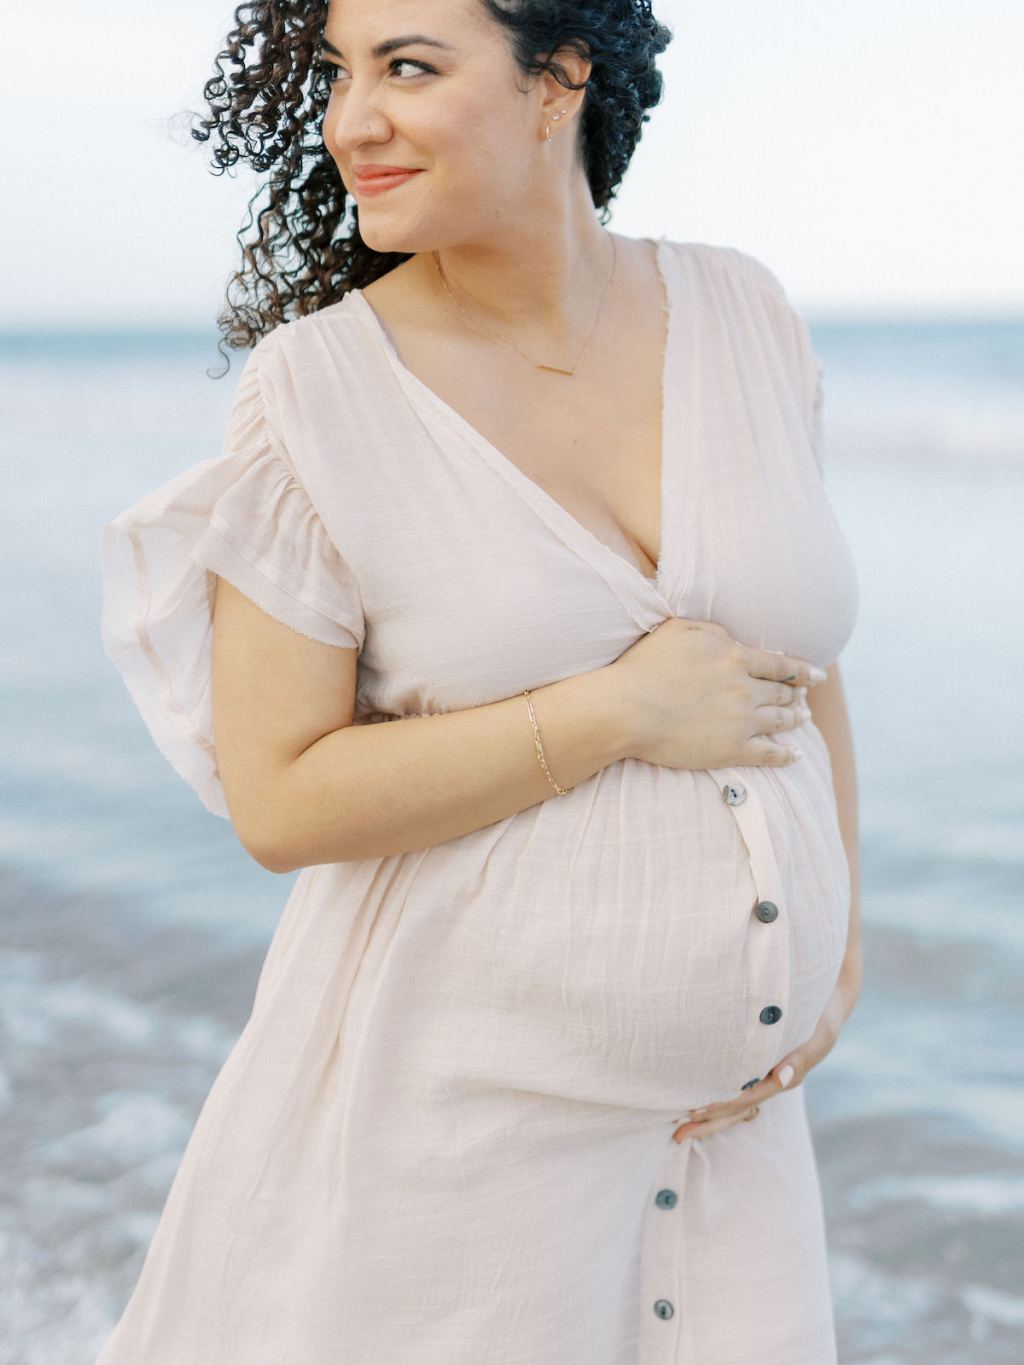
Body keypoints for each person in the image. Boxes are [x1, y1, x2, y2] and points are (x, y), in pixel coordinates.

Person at [95, 0, 862, 1361]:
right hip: (447, 1151)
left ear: (559, 80)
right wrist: (611, 711)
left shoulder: (745, 312)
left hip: (728, 1145)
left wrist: (836, 938)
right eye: (338, 72)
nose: (350, 119)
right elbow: (280, 796)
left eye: (408, 67)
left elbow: (799, 663)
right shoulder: (317, 397)